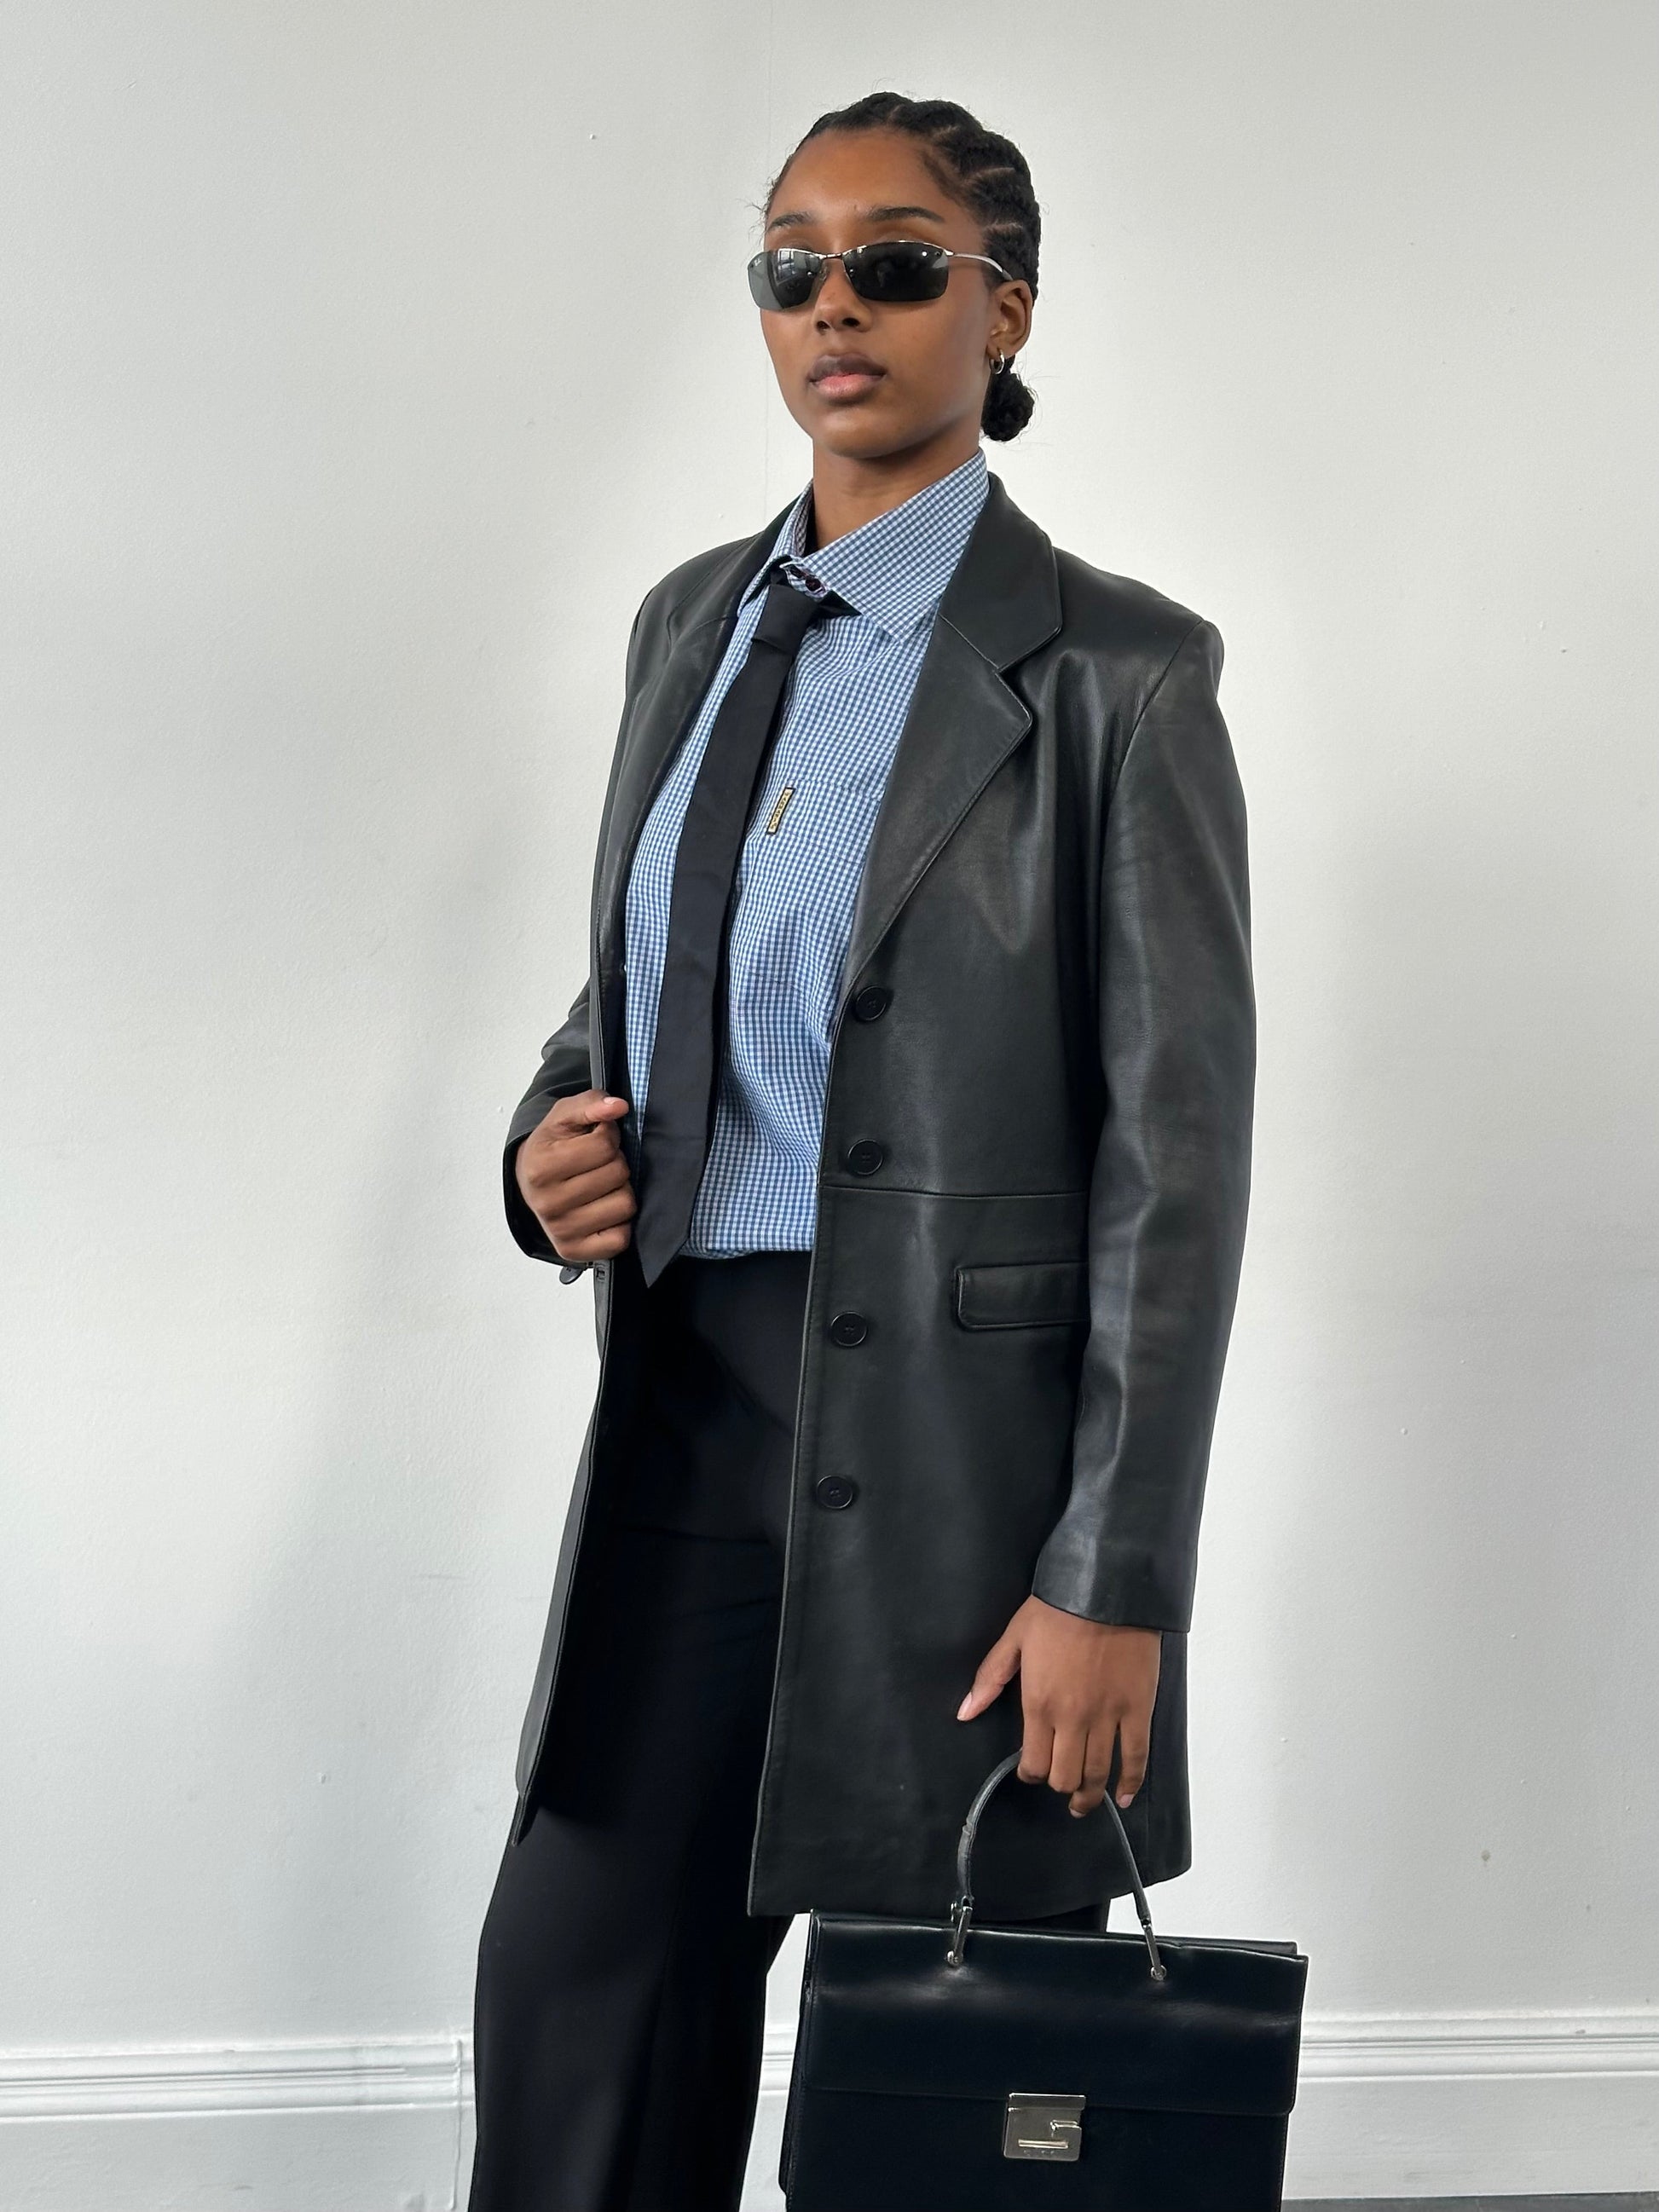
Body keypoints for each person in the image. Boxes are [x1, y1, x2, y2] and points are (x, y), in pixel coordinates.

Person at [467, 90, 1253, 2212]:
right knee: (578, 2008)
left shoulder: (1119, 675)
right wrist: (548, 1141)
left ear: (1004, 309)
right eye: (791, 264)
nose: (836, 305)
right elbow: (645, 980)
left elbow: (1176, 1163)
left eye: (895, 263)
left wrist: (1113, 1577)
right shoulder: (688, 626)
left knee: (950, 2093)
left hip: (967, 1478)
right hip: (686, 1421)